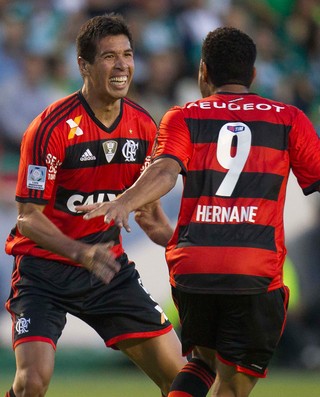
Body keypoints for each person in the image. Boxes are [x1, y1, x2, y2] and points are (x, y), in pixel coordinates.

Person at [76, 26, 320, 397]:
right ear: (253, 75)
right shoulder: (288, 119)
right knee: (235, 385)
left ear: (203, 72)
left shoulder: (183, 116)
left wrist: (125, 200)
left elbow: (164, 171)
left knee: (202, 365)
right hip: (253, 271)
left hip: (194, 270)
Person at [4, 13, 186, 397]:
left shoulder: (143, 127)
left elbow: (149, 215)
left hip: (108, 272)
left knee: (181, 379)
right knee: (31, 383)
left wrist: (185, 249)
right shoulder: (50, 128)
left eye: (128, 54)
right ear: (83, 65)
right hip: (44, 272)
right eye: (109, 56)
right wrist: (80, 252)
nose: (122, 65)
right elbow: (27, 218)